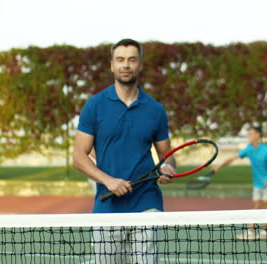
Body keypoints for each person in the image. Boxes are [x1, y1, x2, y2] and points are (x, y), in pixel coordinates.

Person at [73, 38, 175, 263]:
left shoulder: (155, 110)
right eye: (120, 60)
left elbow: (166, 155)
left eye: (131, 60)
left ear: (140, 65)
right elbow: (79, 157)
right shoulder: (94, 105)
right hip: (107, 206)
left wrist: (168, 166)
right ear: (112, 65)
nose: (126, 65)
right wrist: (108, 181)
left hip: (147, 204)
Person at [212, 126, 267, 240]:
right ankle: (250, 232)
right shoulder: (249, 149)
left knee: (266, 206)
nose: (249, 136)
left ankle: (264, 232)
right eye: (248, 134)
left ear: (258, 135)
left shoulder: (266, 149)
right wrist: (219, 166)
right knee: (255, 204)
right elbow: (232, 158)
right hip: (257, 182)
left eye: (251, 134)